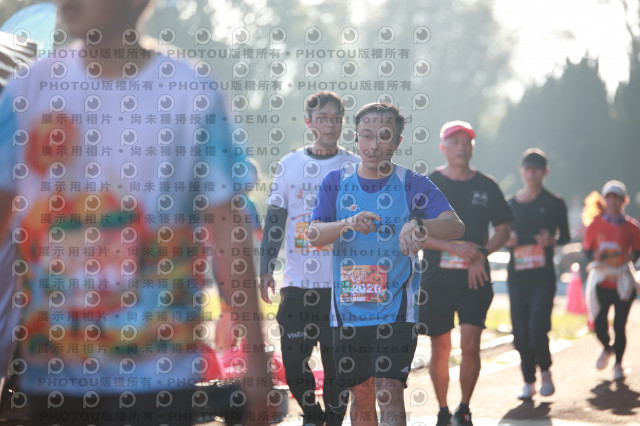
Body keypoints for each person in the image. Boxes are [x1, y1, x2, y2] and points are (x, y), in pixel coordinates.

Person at [0, 0, 270, 424]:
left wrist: (256, 365)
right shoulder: (28, 89)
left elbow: (226, 227)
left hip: (160, 373)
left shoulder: (191, 91)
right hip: (52, 372)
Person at [308, 103, 465, 426]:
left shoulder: (412, 183)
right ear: (356, 137)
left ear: (397, 142)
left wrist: (420, 225)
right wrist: (347, 223)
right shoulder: (336, 182)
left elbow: (455, 226)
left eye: (384, 136)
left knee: (388, 389)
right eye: (367, 135)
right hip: (348, 311)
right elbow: (313, 234)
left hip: (396, 310)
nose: (374, 145)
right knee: (361, 393)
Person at [259, 90, 358, 426]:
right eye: (323, 119)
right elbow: (275, 220)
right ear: (309, 122)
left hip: (341, 286)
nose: (330, 125)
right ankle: (312, 415)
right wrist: (265, 268)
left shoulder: (354, 166)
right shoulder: (290, 165)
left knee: (338, 365)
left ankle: (333, 421)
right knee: (294, 359)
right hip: (298, 283)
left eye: (336, 119)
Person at [419, 121, 512, 426]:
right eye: (455, 141)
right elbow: (415, 232)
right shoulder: (429, 183)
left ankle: (464, 407)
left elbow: (503, 229)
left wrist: (481, 254)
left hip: (475, 278)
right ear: (443, 147)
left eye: (467, 142)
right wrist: (453, 249)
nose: (462, 147)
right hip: (437, 278)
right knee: (440, 347)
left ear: (473, 147)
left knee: (470, 345)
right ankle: (443, 410)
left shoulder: (487, 185)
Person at [504, 148, 570, 399]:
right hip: (517, 277)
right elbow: (500, 235)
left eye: (536, 169)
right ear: (521, 171)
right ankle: (528, 381)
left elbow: (565, 236)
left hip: (543, 277)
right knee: (520, 333)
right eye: (527, 169)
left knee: (537, 328)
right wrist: (507, 240)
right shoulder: (510, 204)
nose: (531, 174)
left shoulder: (555, 202)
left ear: (545, 172)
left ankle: (545, 371)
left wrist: (550, 240)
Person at [582, 180, 640, 381]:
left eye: (617, 198)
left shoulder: (632, 227)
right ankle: (608, 348)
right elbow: (587, 250)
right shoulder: (596, 224)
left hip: (623, 280)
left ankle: (618, 365)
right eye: (609, 198)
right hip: (602, 281)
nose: (613, 202)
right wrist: (594, 256)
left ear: (624, 201)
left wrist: (632, 256)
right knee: (599, 325)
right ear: (605, 200)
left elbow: (637, 250)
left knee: (619, 325)